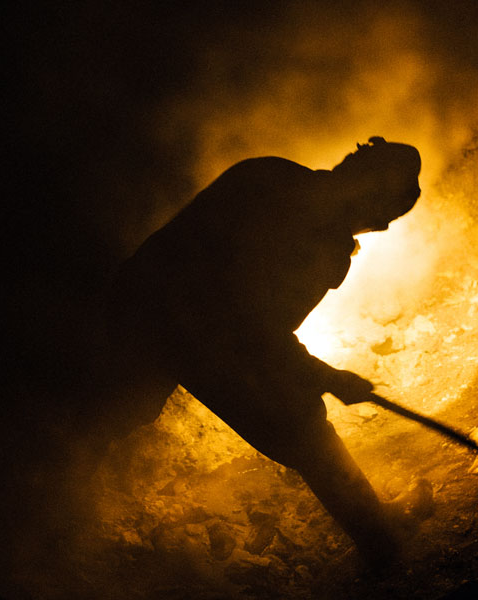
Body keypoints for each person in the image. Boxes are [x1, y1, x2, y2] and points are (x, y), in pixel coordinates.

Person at [102, 137, 421, 567]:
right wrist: (325, 377)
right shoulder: (321, 245)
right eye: (384, 217)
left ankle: (46, 507)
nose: (378, 228)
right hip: (176, 325)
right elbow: (253, 331)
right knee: (303, 428)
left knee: (110, 410)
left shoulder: (269, 172)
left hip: (138, 299)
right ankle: (382, 542)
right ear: (372, 204)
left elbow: (248, 326)